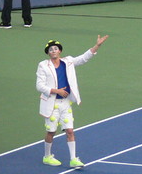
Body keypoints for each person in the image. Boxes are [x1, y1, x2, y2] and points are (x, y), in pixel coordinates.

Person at [37, 35, 109, 168]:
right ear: (48, 53)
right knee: (51, 132)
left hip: (65, 103)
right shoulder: (43, 65)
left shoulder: (68, 61)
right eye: (50, 49)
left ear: (60, 51)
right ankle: (47, 156)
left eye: (56, 49)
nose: (53, 51)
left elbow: (83, 58)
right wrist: (56, 90)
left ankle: (73, 159)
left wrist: (97, 45)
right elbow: (39, 85)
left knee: (70, 130)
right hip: (51, 104)